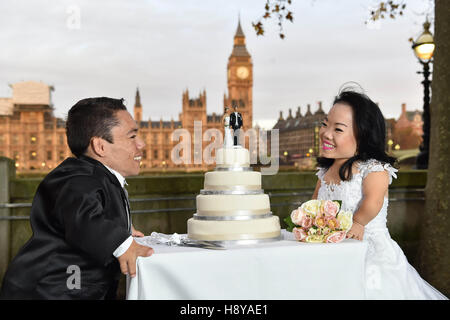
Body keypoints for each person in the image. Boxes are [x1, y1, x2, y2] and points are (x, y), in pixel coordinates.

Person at [0, 97, 154, 300]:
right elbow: (81, 213)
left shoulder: (97, 176)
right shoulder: (76, 178)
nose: (142, 144)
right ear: (100, 146)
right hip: (48, 292)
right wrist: (122, 243)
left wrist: (122, 225)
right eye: (132, 136)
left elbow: (87, 212)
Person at [312, 88, 447, 300]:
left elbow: (373, 200)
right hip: (333, 251)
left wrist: (358, 222)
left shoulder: (373, 168)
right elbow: (315, 202)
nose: (326, 133)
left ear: (363, 135)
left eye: (338, 129)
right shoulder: (325, 171)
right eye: (325, 124)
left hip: (369, 250)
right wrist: (310, 221)